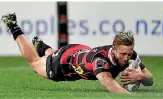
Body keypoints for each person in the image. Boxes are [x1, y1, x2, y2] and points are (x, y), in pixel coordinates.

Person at [1, 13, 153, 94]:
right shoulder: (100, 60)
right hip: (64, 64)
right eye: (123, 54)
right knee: (35, 62)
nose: (126, 58)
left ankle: (42, 46)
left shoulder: (130, 54)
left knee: (54, 53)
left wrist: (140, 76)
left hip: (79, 51)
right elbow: (108, 84)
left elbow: (150, 79)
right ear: (114, 48)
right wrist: (130, 97)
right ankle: (13, 26)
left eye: (129, 53)